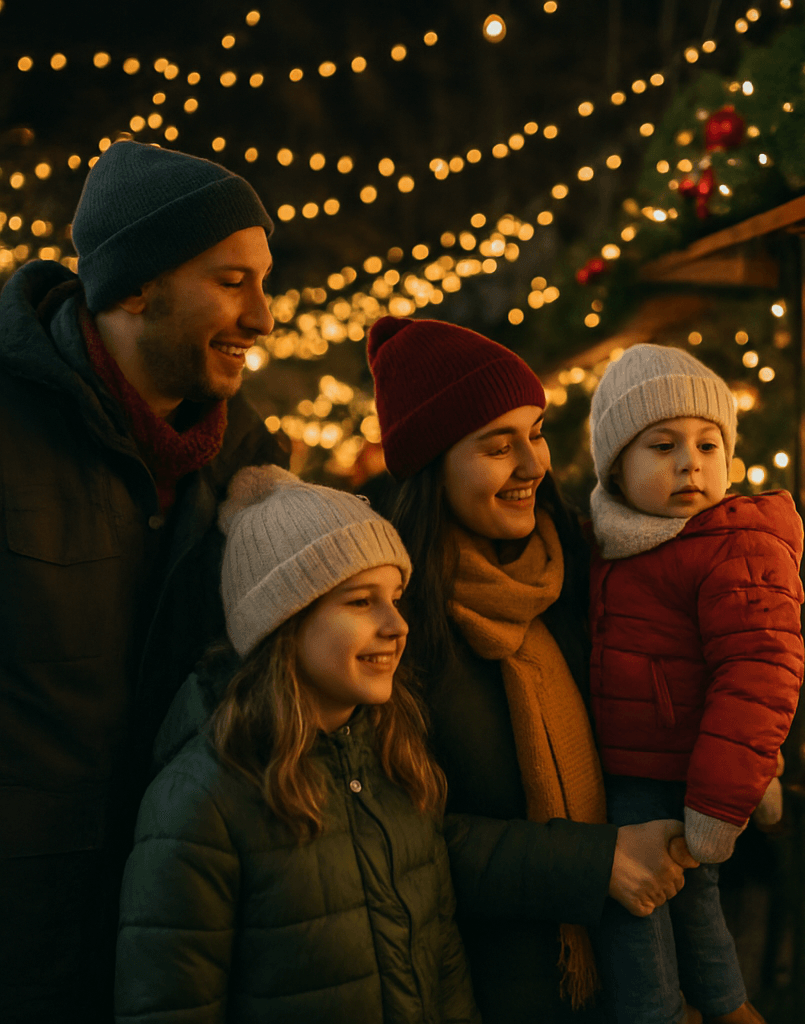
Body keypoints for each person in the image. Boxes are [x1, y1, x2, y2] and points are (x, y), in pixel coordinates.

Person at [0, 140, 287, 1022]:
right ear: (134, 286)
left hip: (181, 928)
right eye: (231, 281)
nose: (264, 316)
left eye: (263, 282)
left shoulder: (251, 463)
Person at [366, 315, 698, 1024]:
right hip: (492, 987)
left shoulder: (583, 570)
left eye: (537, 432)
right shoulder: (392, 620)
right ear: (433, 464)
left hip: (635, 968)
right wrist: (593, 862)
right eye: (497, 445)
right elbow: (400, 837)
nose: (533, 465)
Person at [115, 465, 479, 1023]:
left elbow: (445, 966)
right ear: (283, 623)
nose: (397, 625)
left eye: (395, 597)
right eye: (361, 602)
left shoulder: (397, 763)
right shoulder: (199, 805)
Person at [586, 343, 805, 1024]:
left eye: (708, 445)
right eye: (662, 445)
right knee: (691, 911)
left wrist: (719, 800)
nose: (690, 462)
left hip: (680, 777)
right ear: (616, 468)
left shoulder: (731, 543)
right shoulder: (623, 541)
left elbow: (758, 672)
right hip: (634, 764)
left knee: (638, 917)